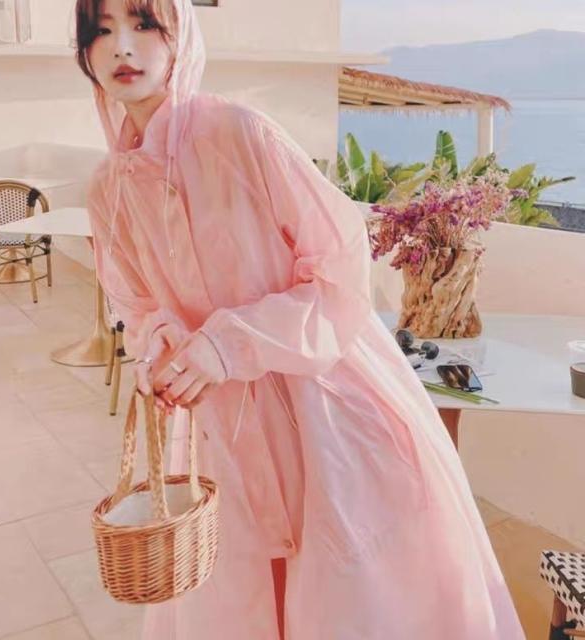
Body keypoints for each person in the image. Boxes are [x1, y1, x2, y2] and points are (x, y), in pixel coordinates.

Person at [75, 0, 527, 638]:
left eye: (144, 23)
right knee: (243, 585)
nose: (122, 46)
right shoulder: (108, 188)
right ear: (84, 54)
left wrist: (228, 344)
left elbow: (338, 266)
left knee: (348, 588)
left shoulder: (240, 134)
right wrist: (162, 351)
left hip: (324, 400)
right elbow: (137, 304)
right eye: (100, 31)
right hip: (222, 419)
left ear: (180, 38)